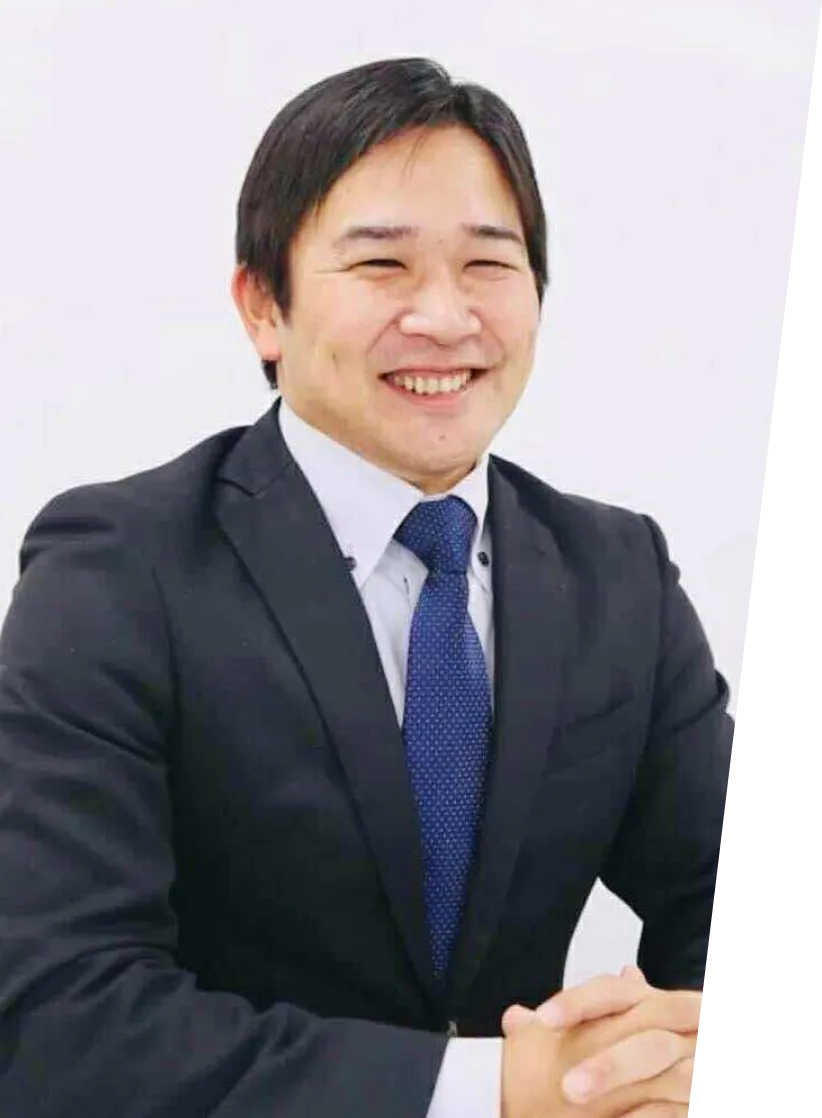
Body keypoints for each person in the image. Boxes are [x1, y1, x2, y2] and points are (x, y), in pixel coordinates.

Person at [0, 57, 732, 1117]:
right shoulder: (118, 569)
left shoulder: (618, 576)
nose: (444, 315)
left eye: (489, 263)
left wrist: (658, 1057)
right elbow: (60, 1022)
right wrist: (496, 1089)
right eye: (382, 263)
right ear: (264, 306)